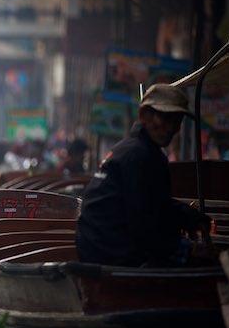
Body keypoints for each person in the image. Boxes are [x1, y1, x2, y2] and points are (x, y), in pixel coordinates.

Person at [76, 84, 211, 267]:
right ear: (144, 116)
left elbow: (151, 202)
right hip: (113, 255)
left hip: (102, 249)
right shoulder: (140, 155)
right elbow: (145, 224)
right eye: (164, 118)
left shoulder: (136, 150)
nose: (170, 128)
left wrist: (190, 216)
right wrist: (185, 248)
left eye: (176, 120)